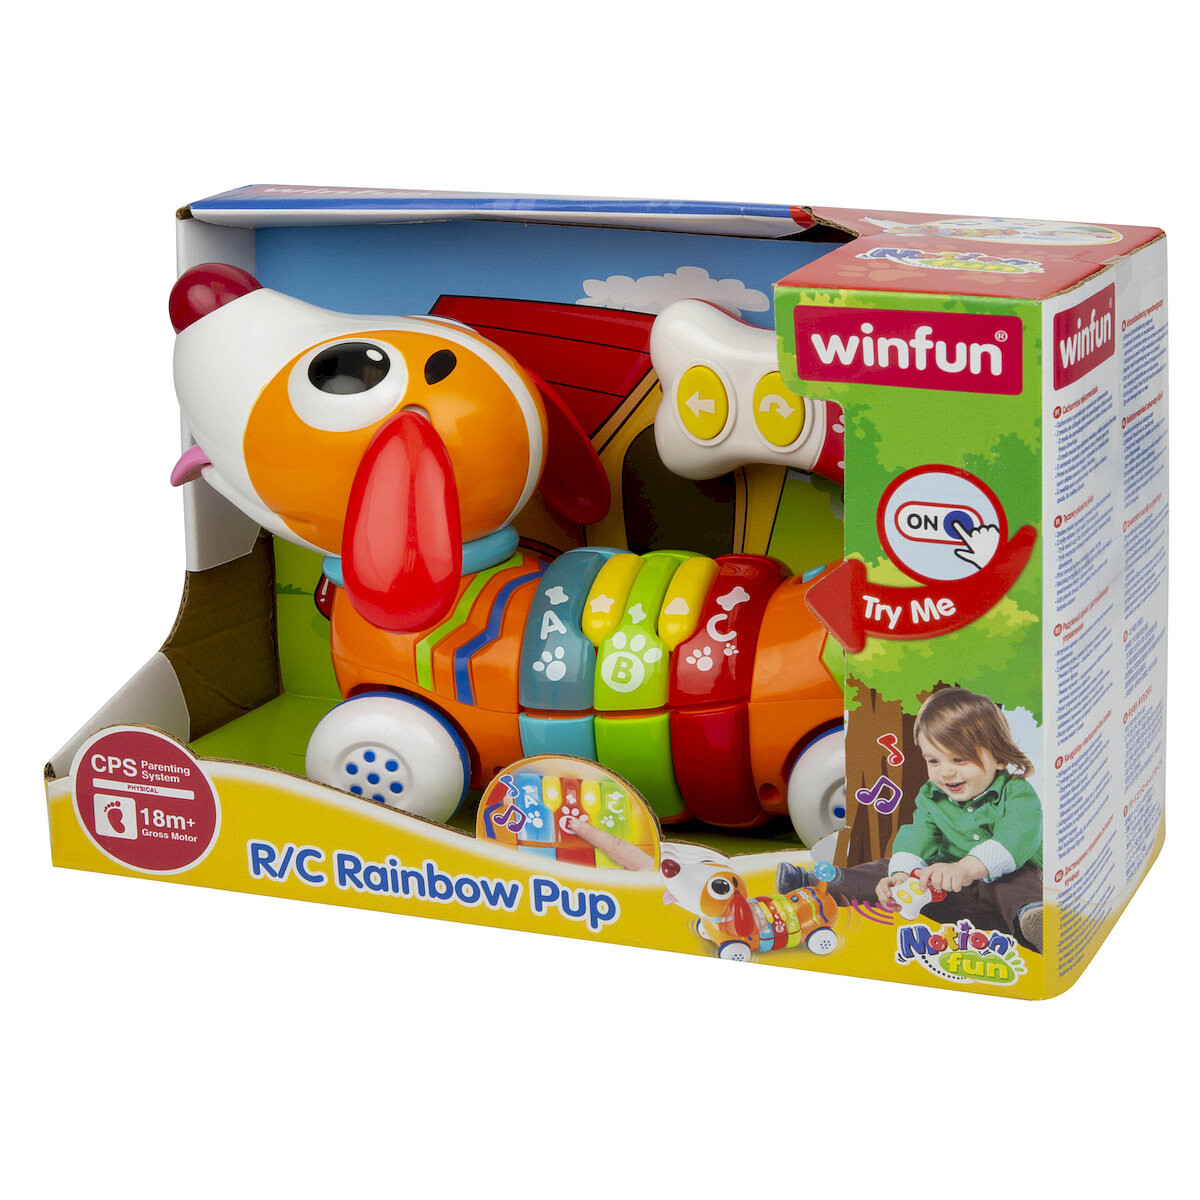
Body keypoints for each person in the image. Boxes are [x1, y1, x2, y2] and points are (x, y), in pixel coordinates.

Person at [777, 687, 1044, 952]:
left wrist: (966, 868)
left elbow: (1017, 837)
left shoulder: (1017, 792)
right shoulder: (932, 796)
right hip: (944, 895)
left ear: (999, 757)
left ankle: (1030, 920)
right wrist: (902, 875)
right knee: (884, 869)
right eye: (934, 761)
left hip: (998, 900)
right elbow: (918, 835)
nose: (945, 772)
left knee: (1018, 879)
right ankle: (819, 883)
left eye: (959, 759)